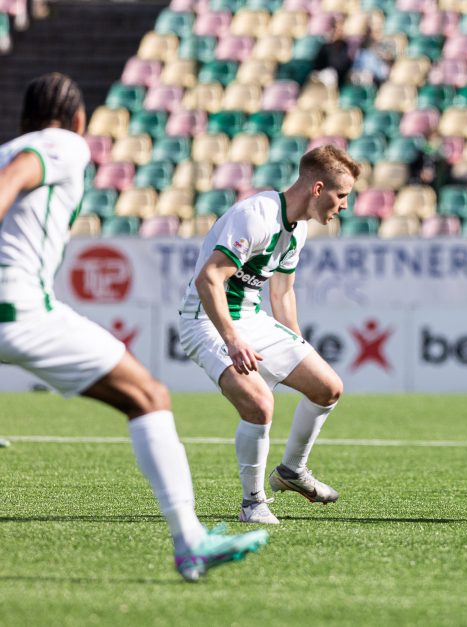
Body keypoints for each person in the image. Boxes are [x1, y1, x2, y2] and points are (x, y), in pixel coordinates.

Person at [0, 73, 269, 582]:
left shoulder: (10, 145)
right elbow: (16, 176)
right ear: (79, 121)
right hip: (18, 307)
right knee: (149, 397)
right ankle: (190, 543)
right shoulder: (62, 144)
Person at [178, 145, 360, 525]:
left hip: (251, 318)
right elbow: (208, 278)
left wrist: (297, 347)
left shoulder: (300, 231)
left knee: (328, 387)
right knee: (260, 404)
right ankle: (253, 504)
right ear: (317, 188)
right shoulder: (255, 216)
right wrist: (232, 339)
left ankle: (292, 471)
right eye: (341, 195)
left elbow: (282, 292)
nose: (344, 205)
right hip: (207, 319)